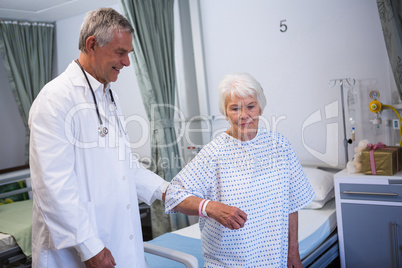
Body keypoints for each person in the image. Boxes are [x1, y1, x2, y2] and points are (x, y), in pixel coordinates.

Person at [29, 8, 169, 268]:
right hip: (80, 251)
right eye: (120, 52)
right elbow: (52, 187)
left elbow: (125, 166)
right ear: (92, 44)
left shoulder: (107, 95)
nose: (127, 62)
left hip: (117, 241)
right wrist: (90, 248)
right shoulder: (55, 99)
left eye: (128, 53)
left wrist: (168, 193)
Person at [165, 72, 315, 267]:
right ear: (226, 113)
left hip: (274, 260)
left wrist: (292, 252)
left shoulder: (280, 146)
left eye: (251, 106)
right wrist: (210, 207)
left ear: (260, 107)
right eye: (235, 108)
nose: (244, 115)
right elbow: (173, 195)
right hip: (230, 262)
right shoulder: (214, 153)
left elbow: (292, 202)